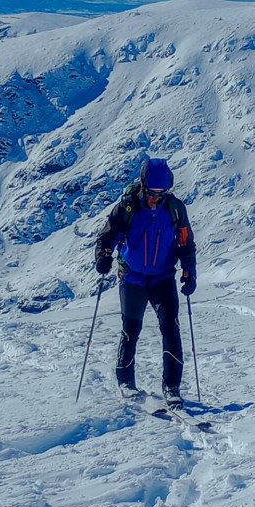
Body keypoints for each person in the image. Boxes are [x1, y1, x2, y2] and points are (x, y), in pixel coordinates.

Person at [94, 157, 197, 407]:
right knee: (131, 331)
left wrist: (189, 270)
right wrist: (104, 256)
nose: (156, 198)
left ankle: (171, 388)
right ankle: (126, 383)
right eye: (152, 192)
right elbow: (107, 236)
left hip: (163, 277)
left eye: (162, 193)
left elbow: (185, 241)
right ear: (143, 186)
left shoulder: (174, 208)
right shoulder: (127, 209)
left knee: (170, 328)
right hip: (132, 278)